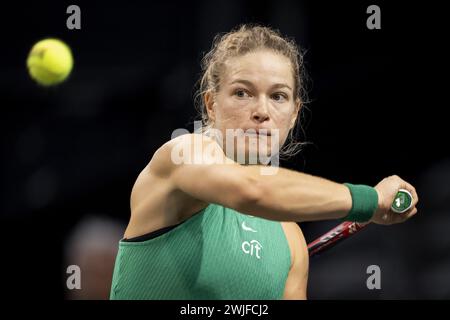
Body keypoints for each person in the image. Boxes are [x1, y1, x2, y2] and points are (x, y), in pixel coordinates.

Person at [109, 24, 418, 300]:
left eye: (278, 96)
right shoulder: (181, 156)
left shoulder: (289, 237)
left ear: (295, 113)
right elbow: (252, 190)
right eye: (242, 93)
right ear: (211, 104)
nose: (261, 110)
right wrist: (369, 200)